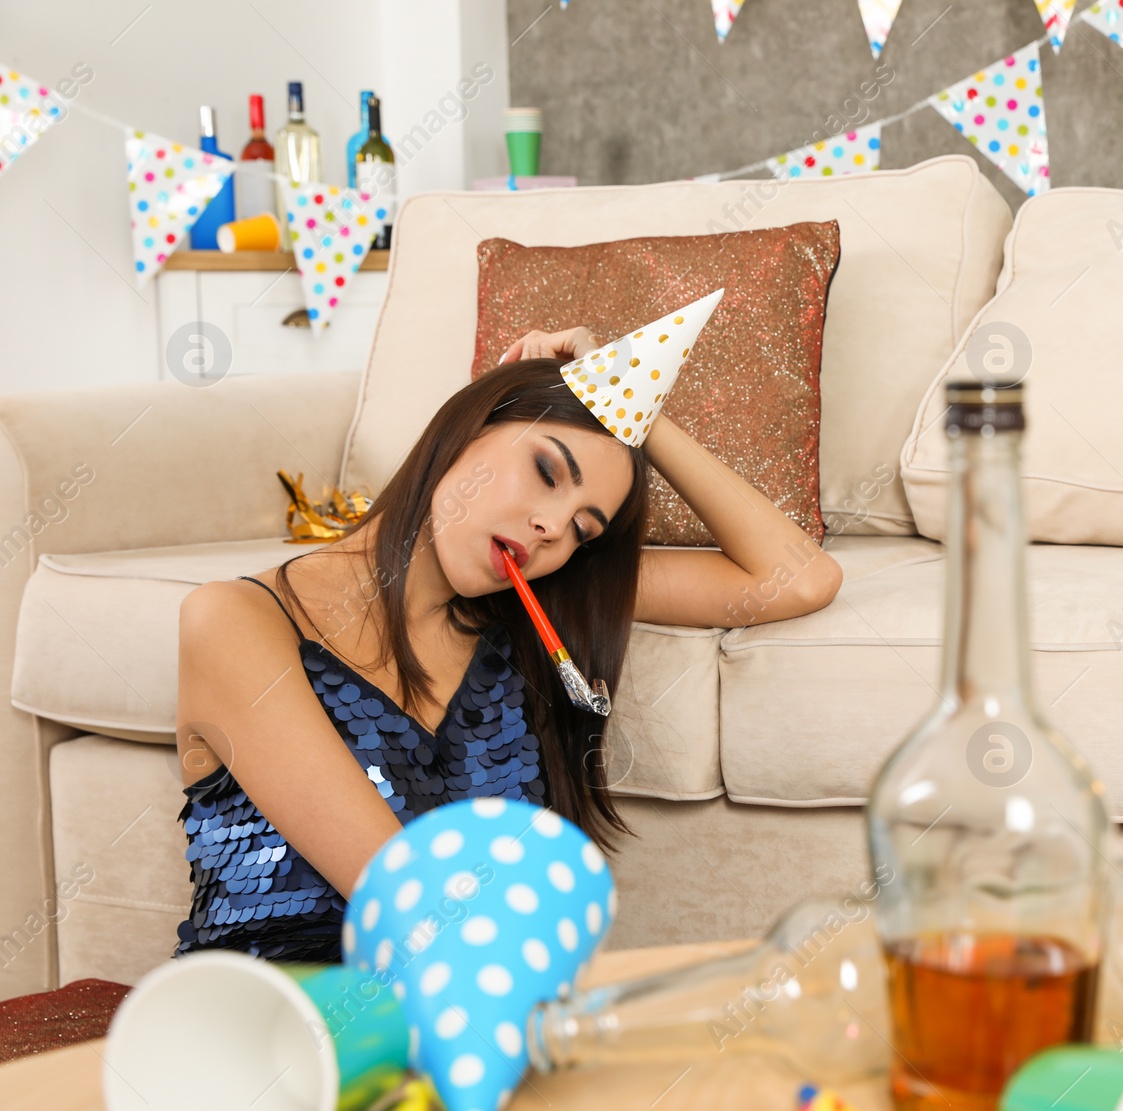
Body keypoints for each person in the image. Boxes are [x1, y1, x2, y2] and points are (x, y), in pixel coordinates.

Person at [173, 321, 842, 960]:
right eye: (548, 470)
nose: (553, 526)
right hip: (276, 1033)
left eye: (584, 528)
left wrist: (641, 410)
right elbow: (411, 903)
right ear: (469, 425)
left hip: (473, 1016)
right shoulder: (233, 619)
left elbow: (800, 576)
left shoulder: (533, 608)